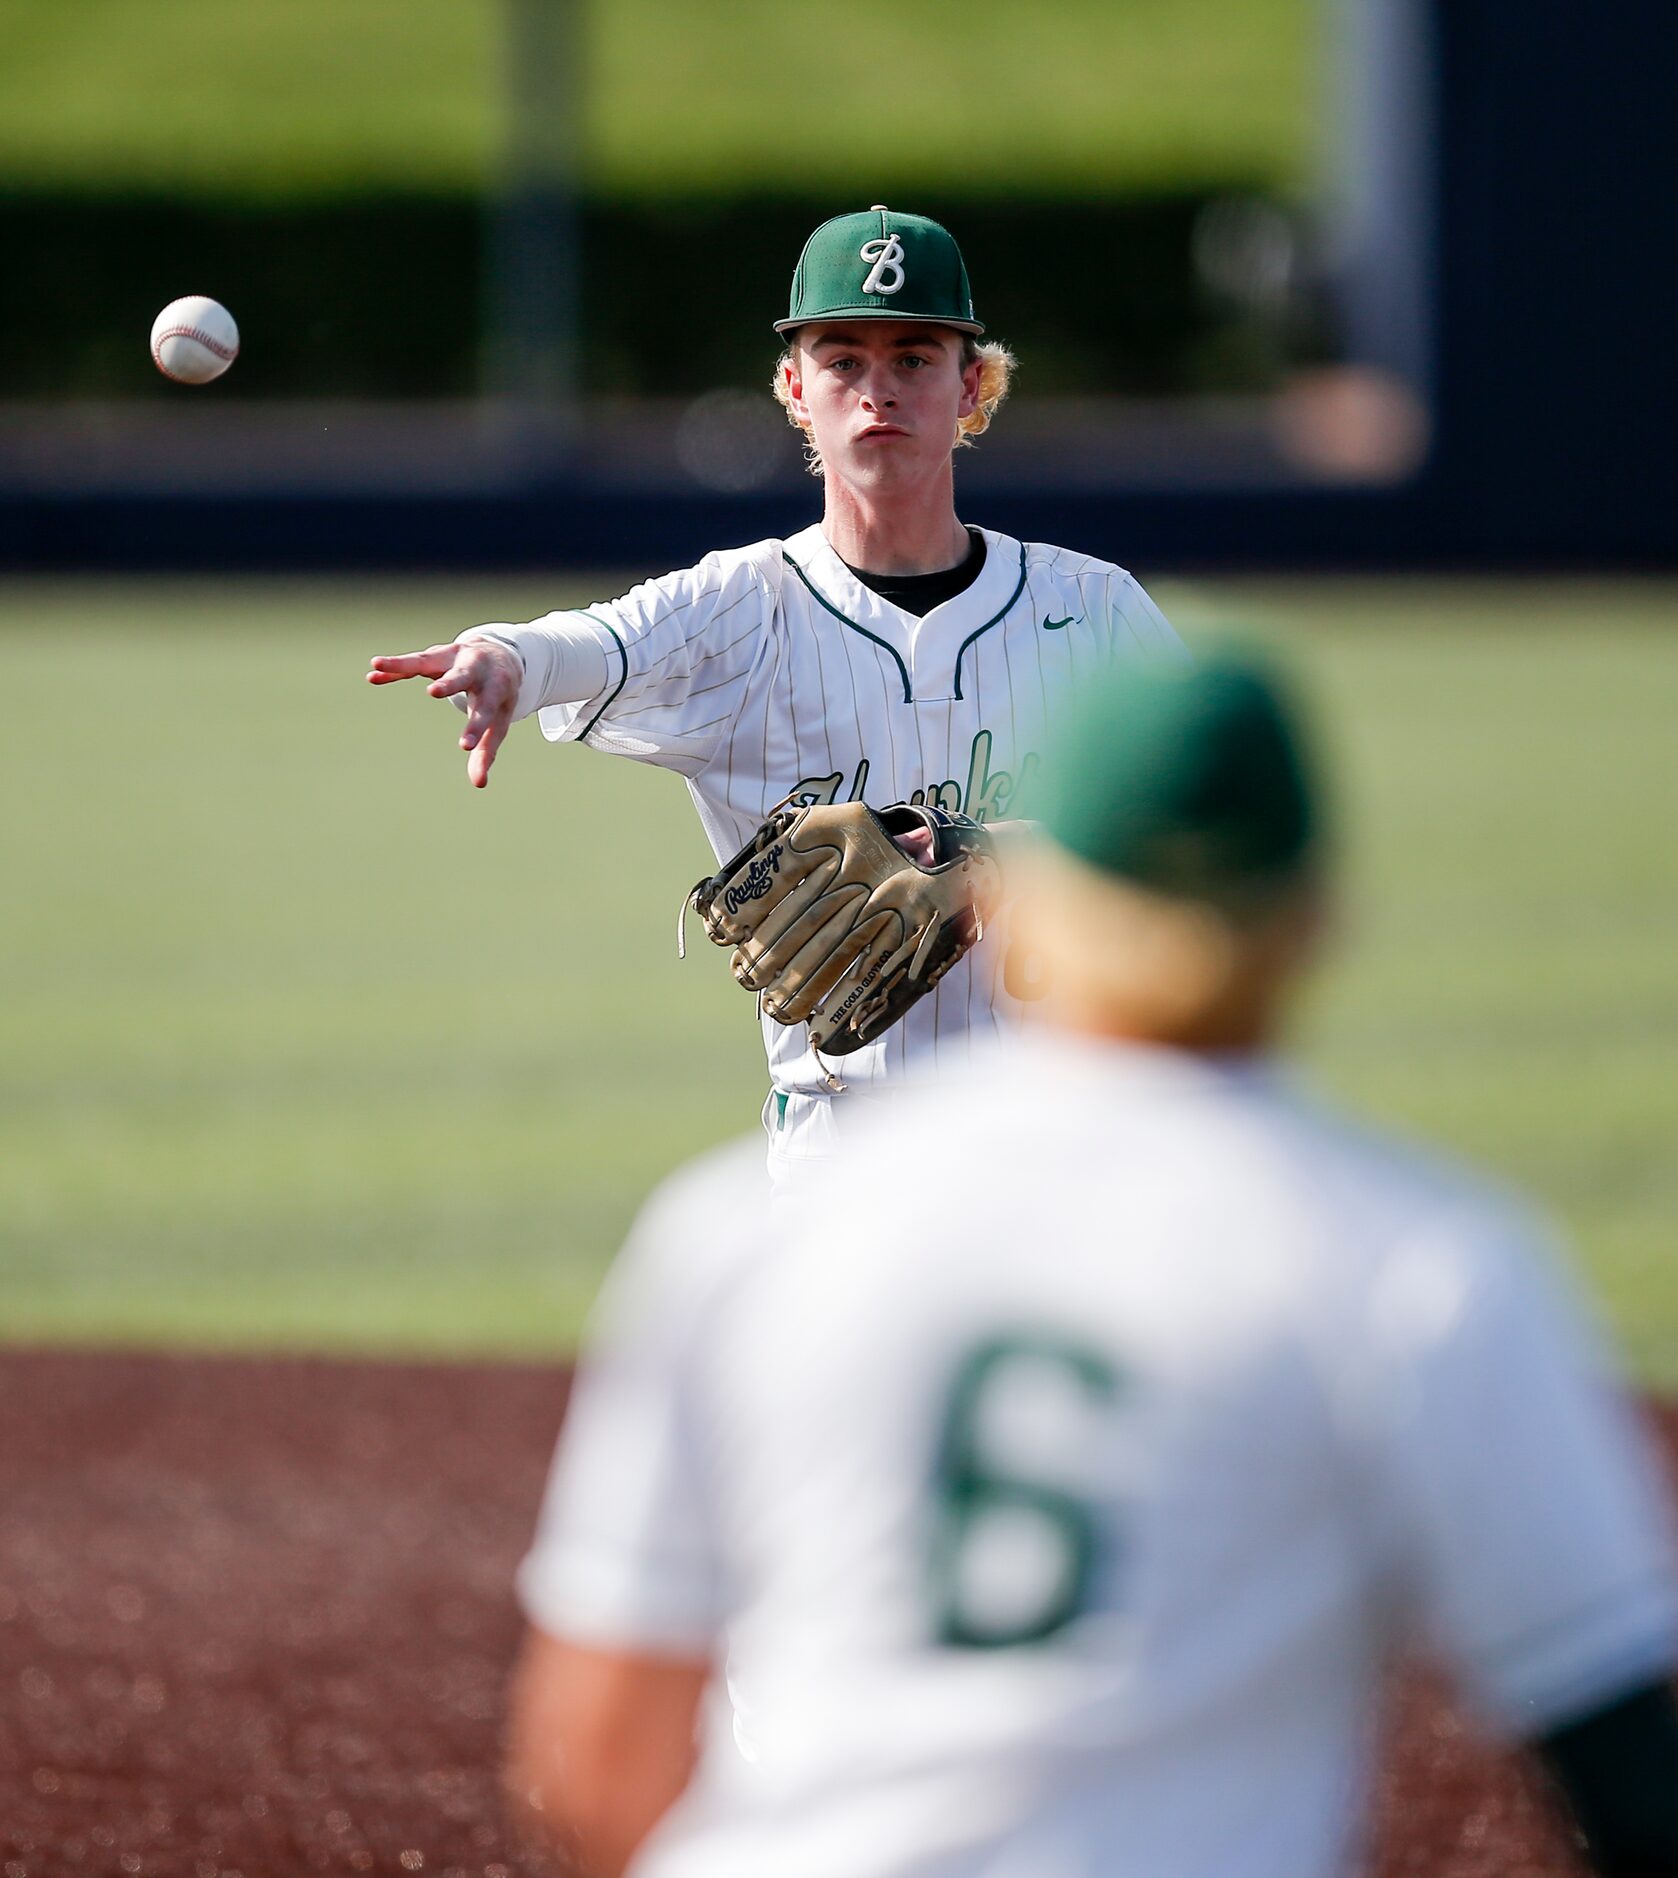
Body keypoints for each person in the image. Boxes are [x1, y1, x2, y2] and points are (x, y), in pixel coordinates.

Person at [504, 650, 1678, 1878]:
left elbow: (592, 1764)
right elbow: (1630, 1789)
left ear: (1033, 898)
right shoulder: (1421, 1272)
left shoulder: (742, 1232)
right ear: (1315, 916)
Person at [367, 206, 1184, 1182]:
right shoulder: (740, 605)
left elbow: (1213, 831)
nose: (876, 390)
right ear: (795, 389)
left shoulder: (1089, 610)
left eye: (913, 358)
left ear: (971, 384)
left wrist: (993, 854)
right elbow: (597, 641)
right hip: (838, 1159)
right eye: (843, 361)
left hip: (1067, 1143)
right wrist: (505, 657)